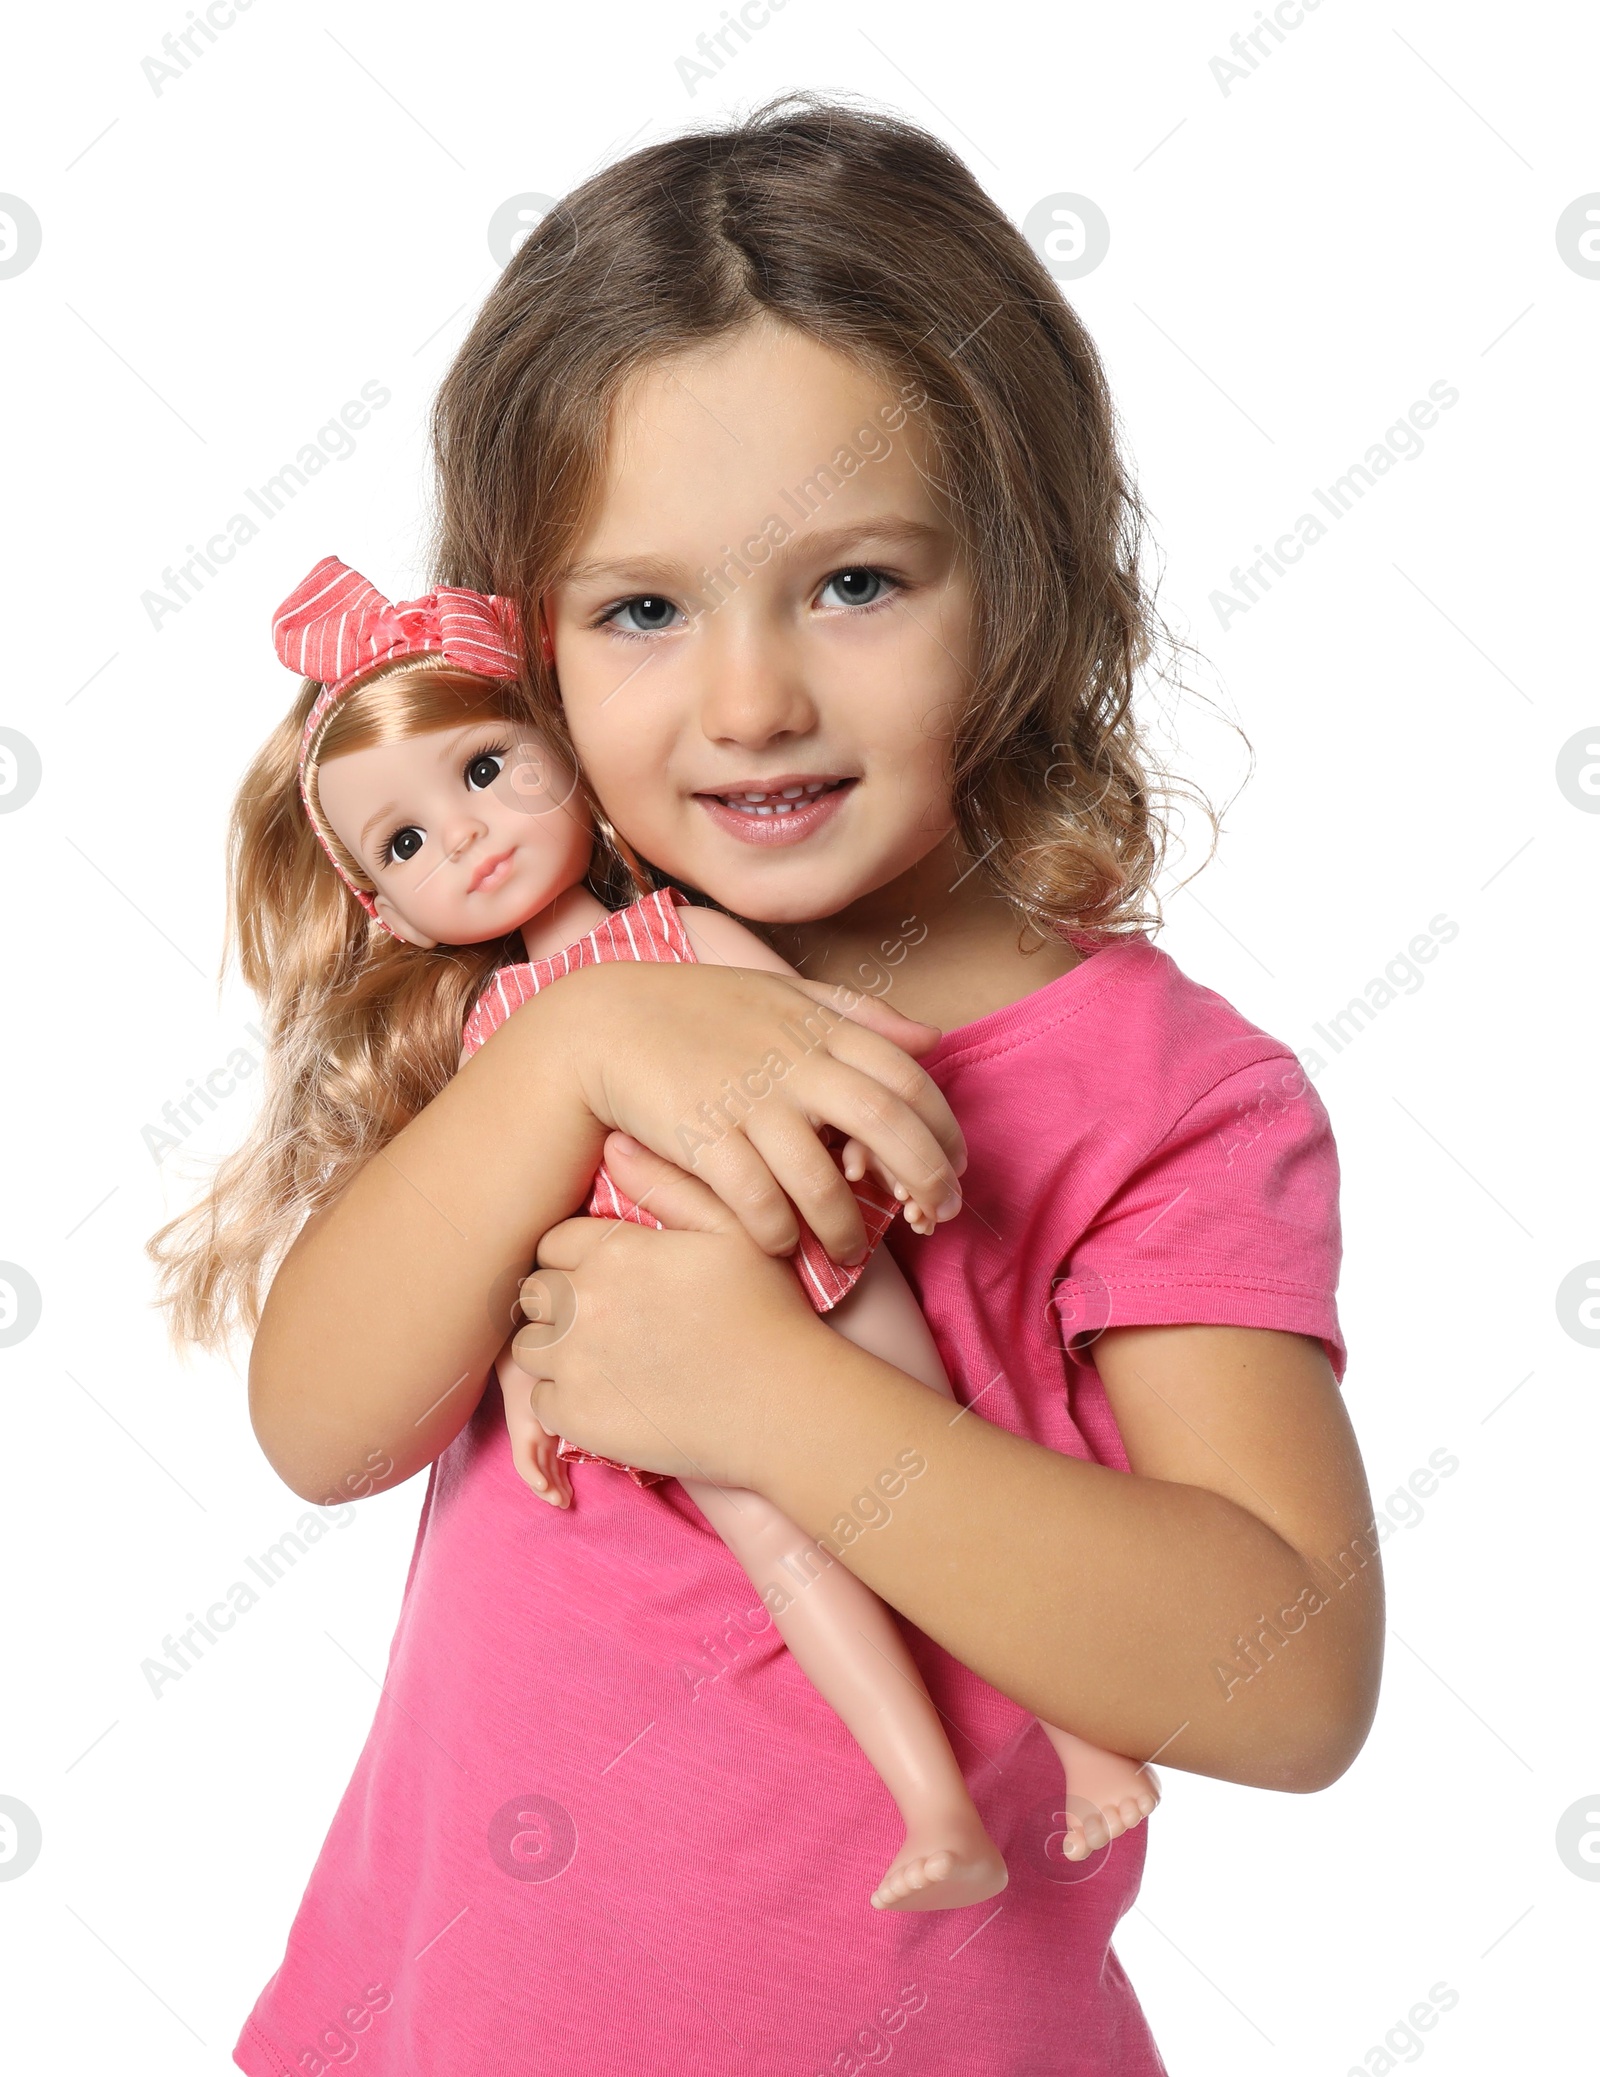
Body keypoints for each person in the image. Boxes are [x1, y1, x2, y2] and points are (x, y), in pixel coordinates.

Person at [154, 94, 1380, 2077]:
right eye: (641, 609)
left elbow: (1291, 1672)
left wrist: (774, 1400)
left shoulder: (1152, 1091)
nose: (749, 704)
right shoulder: (548, 1002)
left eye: (855, 584)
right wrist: (561, 1060)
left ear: (1026, 580)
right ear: (519, 656)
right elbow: (318, 1421)